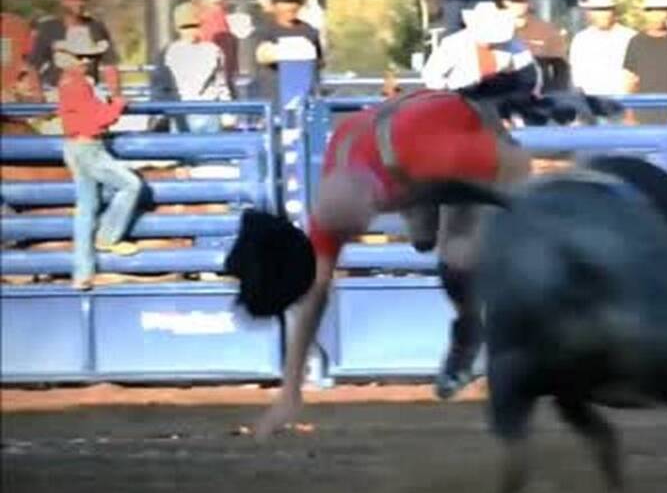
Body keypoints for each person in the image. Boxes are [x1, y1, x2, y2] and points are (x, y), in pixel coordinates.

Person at [229, 71, 619, 436]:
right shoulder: (338, 189)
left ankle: (472, 333)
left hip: (459, 146)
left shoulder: (448, 156)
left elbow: (515, 172)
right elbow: (316, 289)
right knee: (431, 243)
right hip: (410, 143)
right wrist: (290, 389)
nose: (352, 235)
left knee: (460, 256)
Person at [55, 26, 142, 291]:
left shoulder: (67, 83)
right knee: (131, 185)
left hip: (74, 147)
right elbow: (97, 120)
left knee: (85, 209)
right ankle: (108, 236)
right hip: (89, 148)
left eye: (88, 57)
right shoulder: (80, 85)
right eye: (82, 57)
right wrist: (117, 104)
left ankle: (82, 273)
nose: (86, 61)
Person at [422, 1, 538, 91]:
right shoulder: (454, 44)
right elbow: (431, 75)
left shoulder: (513, 45)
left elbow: (529, 73)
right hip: (463, 100)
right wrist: (449, 89)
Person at [156, 2, 233, 133]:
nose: (191, 31)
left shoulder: (213, 51)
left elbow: (220, 84)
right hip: (181, 112)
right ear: (177, 28)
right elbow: (163, 86)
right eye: (185, 27)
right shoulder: (168, 53)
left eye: (194, 26)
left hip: (208, 112)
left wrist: (228, 113)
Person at [28, 0, 121, 98]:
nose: (79, 4)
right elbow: (33, 65)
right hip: (56, 92)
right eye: (74, 0)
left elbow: (110, 65)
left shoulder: (96, 27)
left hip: (89, 92)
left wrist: (116, 95)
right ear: (64, 1)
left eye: (82, 0)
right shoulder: (49, 28)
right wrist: (38, 97)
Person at [622, 0, 667, 124]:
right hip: (644, 116)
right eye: (651, 10)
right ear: (645, 13)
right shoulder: (636, 42)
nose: (657, 15)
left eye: (662, 10)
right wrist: (629, 115)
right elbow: (631, 81)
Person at [250, 0, 322, 106]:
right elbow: (260, 57)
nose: (291, 7)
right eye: (284, 2)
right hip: (270, 101)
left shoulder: (310, 32)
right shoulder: (263, 32)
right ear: (273, 4)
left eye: (295, 1)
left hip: (303, 100)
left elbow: (317, 65)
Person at [497, 0, 571, 91]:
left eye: (523, 0)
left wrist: (555, 96)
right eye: (514, 0)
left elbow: (561, 69)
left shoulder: (546, 30)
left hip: (537, 96)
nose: (519, 5)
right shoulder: (490, 29)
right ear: (505, 2)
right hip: (500, 95)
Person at [568, 0, 636, 96]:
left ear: (614, 10)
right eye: (597, 10)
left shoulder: (630, 38)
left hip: (622, 106)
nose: (601, 14)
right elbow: (576, 80)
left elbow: (635, 79)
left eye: (605, 9)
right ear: (589, 12)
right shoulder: (580, 40)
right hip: (591, 107)